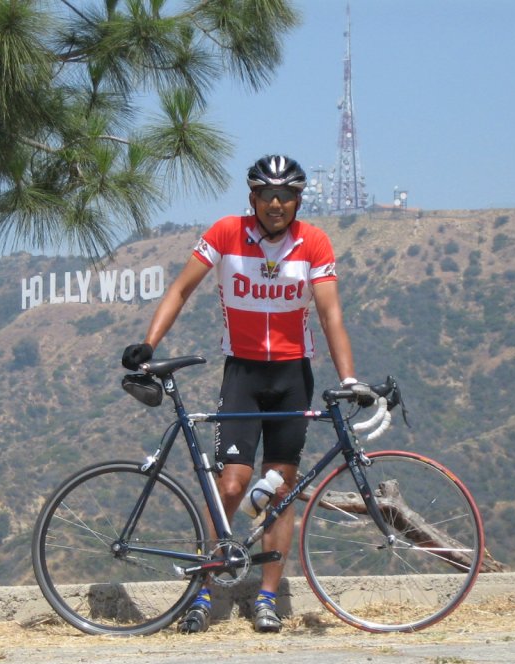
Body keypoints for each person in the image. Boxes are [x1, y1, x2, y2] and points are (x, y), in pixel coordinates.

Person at [121, 154, 372, 634]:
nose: (276, 204)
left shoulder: (313, 242)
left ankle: (266, 596)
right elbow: (178, 290)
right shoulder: (224, 234)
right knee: (232, 485)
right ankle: (202, 590)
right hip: (242, 375)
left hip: (292, 376)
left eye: (287, 195)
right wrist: (149, 343)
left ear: (298, 200)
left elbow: (330, 314)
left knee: (279, 490)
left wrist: (349, 377)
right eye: (267, 194)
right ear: (252, 197)